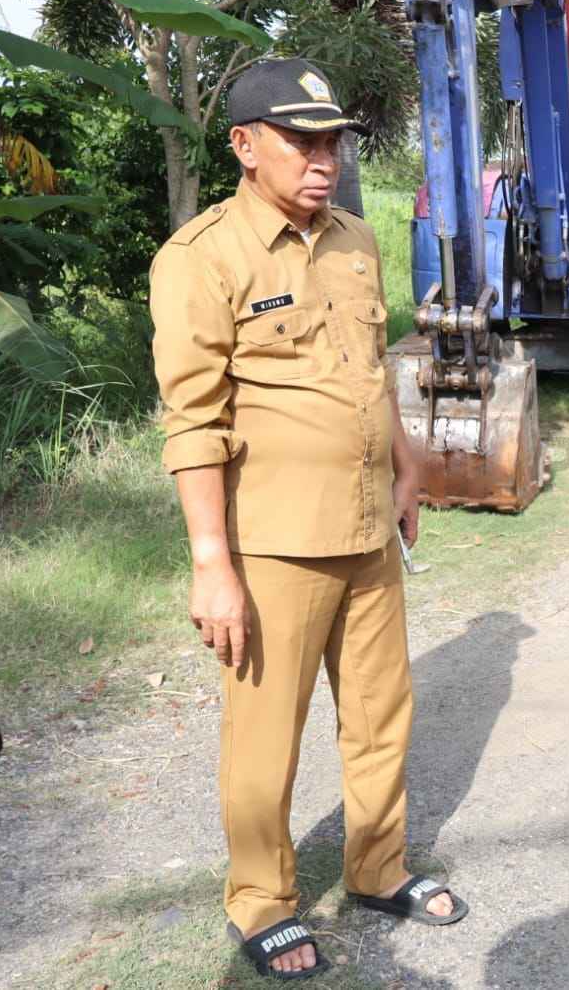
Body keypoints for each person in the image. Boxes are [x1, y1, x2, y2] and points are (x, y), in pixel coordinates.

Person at [149, 58, 468, 981]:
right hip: (274, 547)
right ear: (246, 147)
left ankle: (377, 868)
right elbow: (193, 420)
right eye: (301, 141)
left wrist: (408, 471)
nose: (321, 158)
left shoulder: (355, 239)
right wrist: (212, 562)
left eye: (331, 141)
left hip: (368, 528)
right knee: (265, 734)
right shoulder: (202, 257)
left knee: (380, 717)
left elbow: (373, 376)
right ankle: (261, 904)